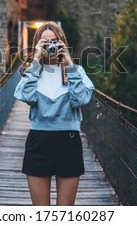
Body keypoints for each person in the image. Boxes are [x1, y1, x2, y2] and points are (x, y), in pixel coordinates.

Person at [14, 21, 94, 206]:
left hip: (69, 141)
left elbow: (81, 100)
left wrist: (69, 63)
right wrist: (35, 61)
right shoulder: (32, 72)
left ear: (63, 43)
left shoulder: (77, 71)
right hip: (39, 142)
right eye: (44, 42)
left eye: (54, 41)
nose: (50, 46)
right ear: (37, 45)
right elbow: (26, 96)